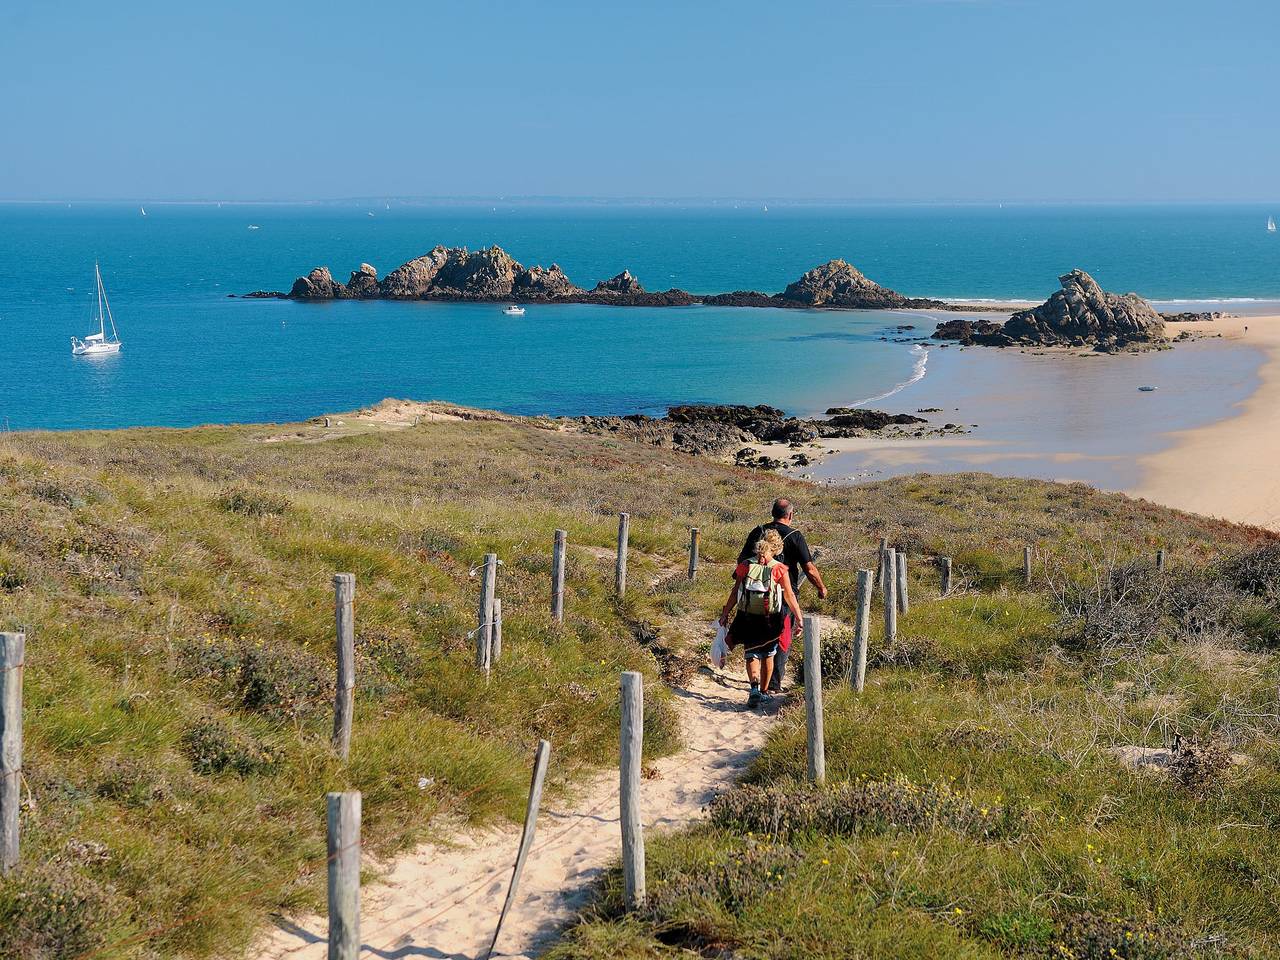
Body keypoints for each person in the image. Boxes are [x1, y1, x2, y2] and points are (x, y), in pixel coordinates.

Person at [736, 498, 827, 694]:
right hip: (784, 595)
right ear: (790, 515)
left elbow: (741, 560)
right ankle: (773, 686)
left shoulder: (758, 531)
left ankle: (755, 685)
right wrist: (821, 588)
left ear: (772, 513)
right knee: (781, 638)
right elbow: (809, 569)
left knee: (755, 639)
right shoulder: (795, 536)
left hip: (756, 593)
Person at [720, 528, 803, 708]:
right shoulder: (780, 569)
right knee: (769, 655)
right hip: (771, 619)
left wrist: (725, 613)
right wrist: (799, 618)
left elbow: (735, 593)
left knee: (751, 653)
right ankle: (764, 692)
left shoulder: (745, 565)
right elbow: (789, 596)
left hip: (747, 616)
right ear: (776, 549)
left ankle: (754, 689)